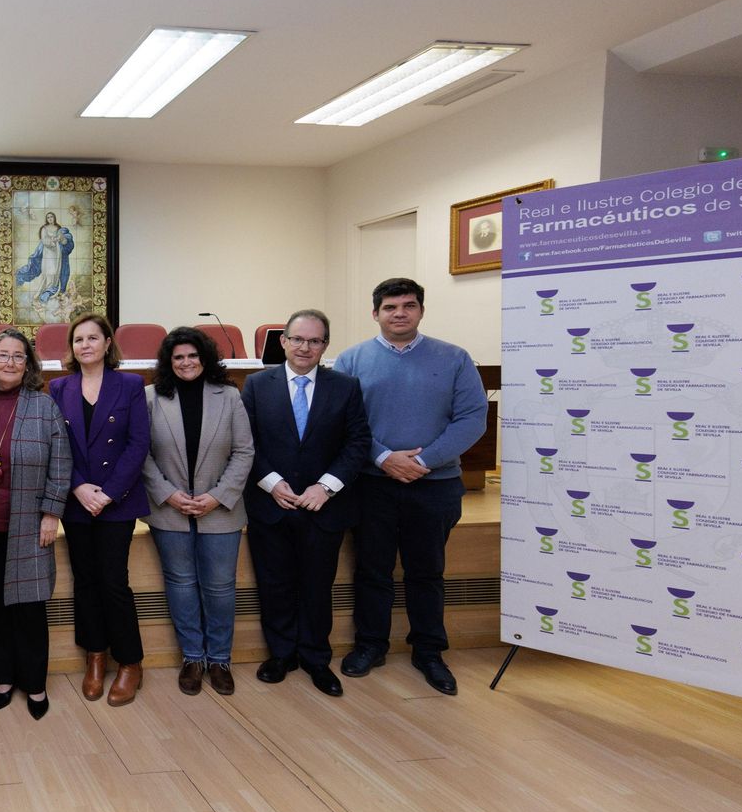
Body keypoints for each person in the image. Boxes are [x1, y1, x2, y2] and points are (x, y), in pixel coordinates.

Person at [335, 278, 487, 696]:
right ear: (375, 314)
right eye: (390, 307)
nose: (399, 313)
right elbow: (342, 421)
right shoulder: (351, 360)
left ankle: (429, 651)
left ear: (421, 310)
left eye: (408, 305)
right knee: (372, 570)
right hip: (371, 485)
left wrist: (422, 461)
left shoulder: (455, 358)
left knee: (427, 571)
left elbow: (472, 418)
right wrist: (383, 457)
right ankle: (370, 645)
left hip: (435, 484)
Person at [240, 309, 370, 698]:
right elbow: (245, 442)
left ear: (325, 345)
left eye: (314, 341)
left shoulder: (346, 387)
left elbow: (357, 443)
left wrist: (325, 488)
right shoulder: (256, 385)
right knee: (274, 584)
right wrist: (271, 482)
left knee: (317, 586)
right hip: (271, 505)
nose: (304, 347)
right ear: (283, 342)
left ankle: (316, 658)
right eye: (297, 339)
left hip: (323, 507)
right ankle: (280, 655)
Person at [0, 328, 70, 720]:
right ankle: (3, 678)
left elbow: (61, 463)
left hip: (29, 522)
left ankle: (35, 684)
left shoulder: (44, 406)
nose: (9, 362)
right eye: (3, 355)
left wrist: (52, 513)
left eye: (18, 356)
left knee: (30, 608)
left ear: (28, 364)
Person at [140, 327, 254, 696]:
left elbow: (244, 452)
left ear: (204, 359)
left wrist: (217, 496)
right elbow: (142, 454)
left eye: (193, 356)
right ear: (168, 362)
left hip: (219, 510)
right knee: (181, 584)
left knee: (220, 587)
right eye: (178, 357)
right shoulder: (151, 398)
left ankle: (219, 659)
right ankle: (192, 657)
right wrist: (169, 494)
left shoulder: (230, 396)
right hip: (169, 510)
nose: (186, 362)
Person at [48, 313, 149, 706]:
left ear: (108, 343)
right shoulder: (59, 387)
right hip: (77, 501)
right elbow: (56, 445)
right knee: (85, 581)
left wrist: (107, 493)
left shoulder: (131, 385)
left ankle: (129, 661)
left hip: (116, 501)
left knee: (113, 581)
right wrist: (77, 486)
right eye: (78, 339)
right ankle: (95, 656)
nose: (85, 345)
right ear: (71, 348)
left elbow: (138, 444)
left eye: (93, 338)